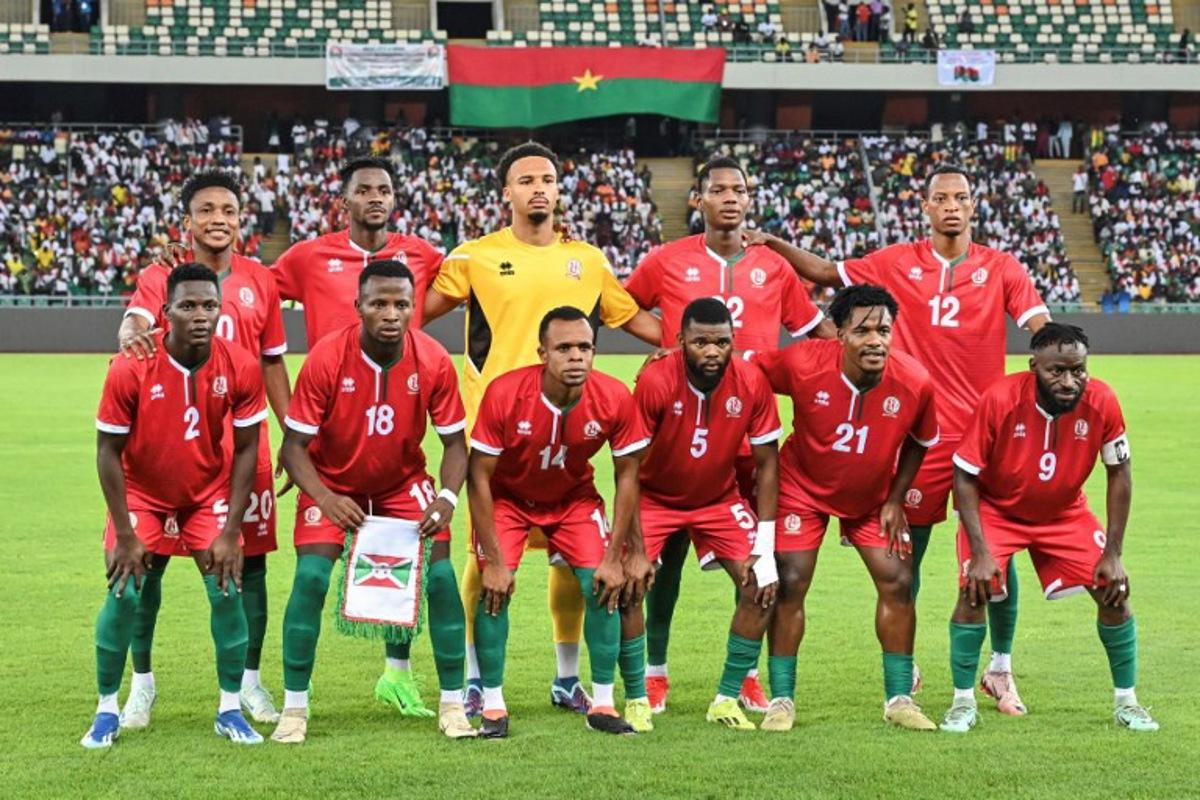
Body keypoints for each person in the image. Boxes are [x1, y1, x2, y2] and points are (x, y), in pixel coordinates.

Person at [769, 162, 1051, 707]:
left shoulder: (1002, 268)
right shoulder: (895, 262)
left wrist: (1051, 369)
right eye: (941, 197)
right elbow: (829, 273)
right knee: (906, 555)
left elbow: (1038, 327)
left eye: (961, 197)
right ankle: (911, 665)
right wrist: (774, 243)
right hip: (918, 435)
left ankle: (1000, 666)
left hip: (984, 439)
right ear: (925, 206)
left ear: (974, 206)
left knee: (995, 556)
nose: (951, 205)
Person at [423, 141, 662, 718]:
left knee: (566, 559)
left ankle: (565, 677)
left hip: (567, 435)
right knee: (485, 561)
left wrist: (704, 342)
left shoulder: (589, 261)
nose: (537, 188)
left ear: (559, 190)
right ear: (505, 192)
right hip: (494, 435)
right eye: (525, 179)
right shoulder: (472, 257)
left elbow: (640, 322)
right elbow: (409, 315)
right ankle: (477, 680)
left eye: (547, 180)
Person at [624, 155, 834, 715]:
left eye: (738, 189)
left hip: (750, 436)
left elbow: (815, 332)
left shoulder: (774, 266)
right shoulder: (667, 259)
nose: (730, 197)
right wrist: (667, 340)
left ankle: (744, 679)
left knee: (760, 568)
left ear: (749, 196)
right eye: (717, 189)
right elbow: (619, 307)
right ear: (698, 199)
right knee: (659, 568)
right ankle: (655, 672)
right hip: (681, 433)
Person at [115, 170, 291, 728]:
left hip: (243, 449)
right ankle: (141, 684)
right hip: (167, 450)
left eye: (229, 210)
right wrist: (130, 336)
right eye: (206, 210)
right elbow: (135, 324)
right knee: (148, 567)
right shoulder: (160, 274)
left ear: (242, 219)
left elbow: (272, 362)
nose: (219, 219)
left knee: (250, 567)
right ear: (187, 220)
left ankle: (249, 684)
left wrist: (292, 434)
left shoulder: (261, 280)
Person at [270, 261, 473, 743]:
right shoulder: (327, 357)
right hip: (332, 482)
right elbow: (293, 449)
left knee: (441, 579)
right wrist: (324, 495)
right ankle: (295, 709)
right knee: (312, 578)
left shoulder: (433, 358)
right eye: (379, 303)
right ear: (358, 306)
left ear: (413, 307)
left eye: (401, 304)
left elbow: (455, 445)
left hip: (401, 486)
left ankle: (452, 703)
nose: (391, 313)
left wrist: (446, 497)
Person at [83, 263, 266, 748]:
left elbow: (247, 448)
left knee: (227, 588)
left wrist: (231, 530)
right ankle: (106, 708)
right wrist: (124, 533)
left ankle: (229, 708)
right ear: (165, 313)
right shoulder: (130, 365)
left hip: (205, 494)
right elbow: (107, 451)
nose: (200, 315)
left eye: (209, 305)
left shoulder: (241, 364)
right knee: (125, 592)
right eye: (188, 306)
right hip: (142, 492)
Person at [940, 324, 1158, 733]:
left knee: (1115, 592)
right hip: (997, 510)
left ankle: (1128, 703)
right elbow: (964, 475)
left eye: (1078, 370)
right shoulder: (1000, 399)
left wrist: (1113, 552)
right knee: (974, 590)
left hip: (1064, 513)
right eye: (1056, 371)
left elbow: (1120, 472)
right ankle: (962, 702)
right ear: (1033, 366)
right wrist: (980, 552)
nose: (1069, 381)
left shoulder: (1102, 400)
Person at [749, 285, 940, 732]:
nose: (875, 340)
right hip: (802, 487)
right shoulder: (803, 362)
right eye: (863, 330)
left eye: (884, 330)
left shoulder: (915, 381)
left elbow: (922, 441)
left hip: (871, 497)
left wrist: (895, 497)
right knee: (791, 581)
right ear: (839, 334)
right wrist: (673, 357)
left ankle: (899, 698)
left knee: (898, 579)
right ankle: (781, 700)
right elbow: (748, 369)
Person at [468, 307, 651, 738]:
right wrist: (493, 560)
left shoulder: (613, 396)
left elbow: (628, 474)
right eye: (564, 348)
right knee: (494, 586)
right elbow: (478, 475)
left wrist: (622, 554)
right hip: (509, 500)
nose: (576, 357)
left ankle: (602, 703)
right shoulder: (505, 392)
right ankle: (492, 704)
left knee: (604, 583)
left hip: (573, 500)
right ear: (542, 353)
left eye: (585, 347)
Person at [622, 298, 782, 732]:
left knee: (763, 582)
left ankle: (728, 696)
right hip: (655, 498)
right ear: (680, 342)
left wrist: (765, 547)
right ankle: (640, 691)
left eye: (722, 342)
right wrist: (633, 546)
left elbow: (768, 464)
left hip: (717, 499)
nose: (712, 351)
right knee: (628, 583)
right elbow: (629, 466)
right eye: (701, 342)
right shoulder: (656, 379)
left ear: (734, 342)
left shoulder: (750, 381)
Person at [272, 156, 444, 350]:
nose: (376, 198)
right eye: (363, 191)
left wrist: (418, 314)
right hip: (331, 378)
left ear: (393, 200)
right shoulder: (309, 256)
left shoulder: (420, 253)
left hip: (400, 377)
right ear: (345, 201)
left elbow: (457, 285)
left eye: (384, 191)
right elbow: (256, 289)